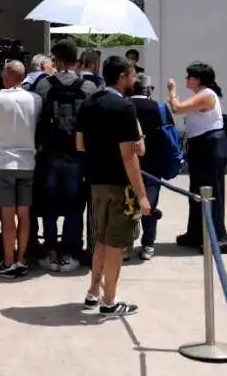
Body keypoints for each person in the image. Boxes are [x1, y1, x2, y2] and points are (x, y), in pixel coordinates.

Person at [76, 56, 149, 315]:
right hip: (121, 185)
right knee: (117, 245)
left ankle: (93, 292)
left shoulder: (88, 103)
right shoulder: (124, 108)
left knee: (102, 241)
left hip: (96, 181)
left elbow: (80, 145)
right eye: (132, 74)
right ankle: (109, 300)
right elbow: (130, 155)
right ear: (122, 76)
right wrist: (142, 195)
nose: (135, 78)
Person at [35, 39, 98, 272]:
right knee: (74, 204)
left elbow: (36, 117)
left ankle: (51, 252)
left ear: (59, 59)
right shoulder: (89, 87)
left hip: (50, 154)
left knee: (49, 203)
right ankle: (70, 253)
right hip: (77, 155)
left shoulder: (43, 85)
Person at [0, 61, 42, 278]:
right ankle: (21, 260)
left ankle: (8, 262)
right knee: (25, 215)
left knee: (8, 216)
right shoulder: (35, 99)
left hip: (4, 162)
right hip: (28, 162)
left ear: (7, 75)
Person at [168, 61, 227, 254]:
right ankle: (195, 232)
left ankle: (218, 238)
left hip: (210, 146)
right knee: (196, 192)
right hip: (200, 146)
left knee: (211, 193)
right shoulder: (200, 95)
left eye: (190, 76)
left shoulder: (206, 95)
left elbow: (177, 108)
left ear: (198, 80)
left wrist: (172, 90)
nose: (187, 79)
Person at [129, 74, 167, 260]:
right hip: (153, 166)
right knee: (150, 206)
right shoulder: (158, 108)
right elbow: (167, 137)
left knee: (127, 207)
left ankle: (125, 245)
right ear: (148, 89)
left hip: (129, 164)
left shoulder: (125, 105)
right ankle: (148, 244)